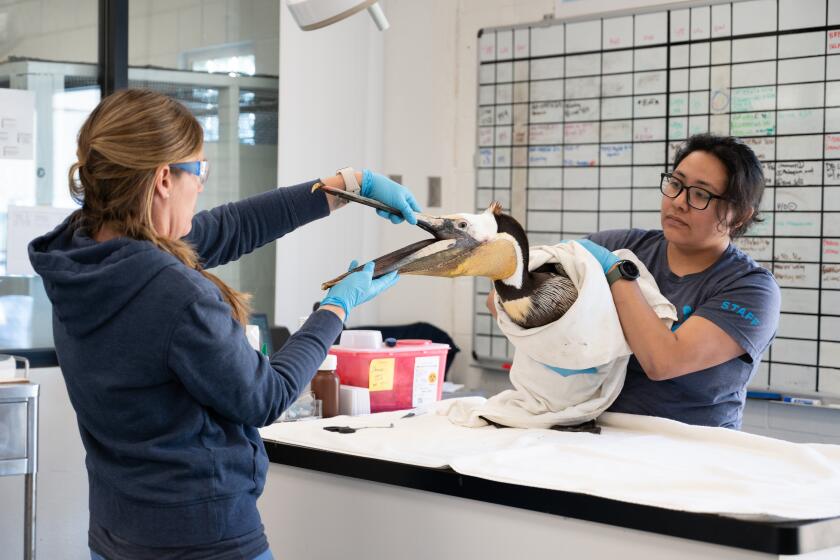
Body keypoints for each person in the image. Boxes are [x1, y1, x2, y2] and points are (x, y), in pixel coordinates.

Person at [28, 89, 421, 560]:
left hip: (117, 534)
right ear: (163, 180)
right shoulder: (173, 293)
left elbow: (229, 227)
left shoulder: (80, 255)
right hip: (203, 540)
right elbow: (265, 396)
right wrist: (335, 309)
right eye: (199, 170)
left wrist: (349, 184)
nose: (202, 187)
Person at [487, 133, 780, 429]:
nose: (679, 202)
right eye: (676, 184)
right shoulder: (620, 242)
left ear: (739, 215)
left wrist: (617, 272)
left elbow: (663, 360)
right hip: (595, 430)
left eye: (701, 195)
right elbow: (501, 300)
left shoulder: (751, 289)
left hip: (690, 446)